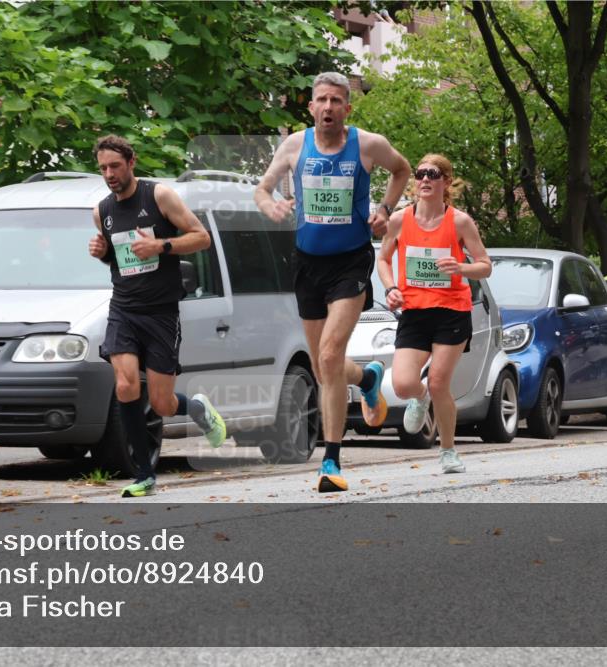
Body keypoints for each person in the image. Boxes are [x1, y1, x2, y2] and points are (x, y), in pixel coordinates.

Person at [254, 72, 411, 493]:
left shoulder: (367, 144)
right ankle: (367, 378)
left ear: (347, 107)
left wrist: (383, 208)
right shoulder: (293, 146)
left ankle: (331, 460)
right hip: (307, 264)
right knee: (325, 365)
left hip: (351, 262)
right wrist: (270, 205)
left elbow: (402, 169)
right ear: (311, 107)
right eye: (321, 100)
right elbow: (262, 190)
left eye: (336, 100)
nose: (328, 107)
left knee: (327, 354)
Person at [89, 135, 227, 497]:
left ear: (131, 163)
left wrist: (161, 246)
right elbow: (117, 258)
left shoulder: (159, 197)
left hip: (161, 312)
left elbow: (202, 238)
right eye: (103, 168)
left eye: (115, 166)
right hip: (123, 308)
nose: (109, 174)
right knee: (125, 385)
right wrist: (102, 252)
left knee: (163, 403)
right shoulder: (101, 211)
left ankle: (195, 406)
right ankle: (143, 474)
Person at [377, 154, 492, 473]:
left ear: (446, 181)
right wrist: (389, 289)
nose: (424, 179)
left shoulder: (459, 222)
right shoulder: (400, 220)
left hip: (451, 312)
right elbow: (383, 260)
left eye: (432, 174)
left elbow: (486, 266)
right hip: (414, 312)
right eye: (420, 174)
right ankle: (419, 396)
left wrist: (462, 267)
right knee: (402, 384)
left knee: (440, 382)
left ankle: (448, 451)